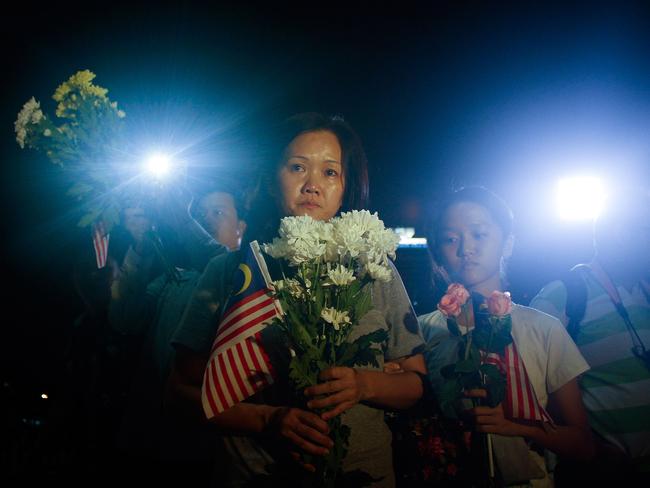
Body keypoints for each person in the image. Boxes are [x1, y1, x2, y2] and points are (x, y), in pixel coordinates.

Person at [166, 113, 426, 487]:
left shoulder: (372, 267)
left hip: (362, 474)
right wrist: (268, 419)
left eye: (330, 173)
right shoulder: (232, 272)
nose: (312, 186)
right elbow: (178, 392)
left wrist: (363, 384)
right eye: (297, 167)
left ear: (346, 187)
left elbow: (415, 383)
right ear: (273, 181)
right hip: (257, 473)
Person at [415, 187, 594, 486]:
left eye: (479, 234)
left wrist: (519, 427)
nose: (465, 249)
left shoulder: (543, 328)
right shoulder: (422, 330)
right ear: (437, 253)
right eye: (450, 239)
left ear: (508, 244)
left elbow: (584, 445)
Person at [108, 180, 246, 485]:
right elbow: (123, 318)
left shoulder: (246, 284)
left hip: (202, 450)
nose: (206, 219)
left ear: (241, 228)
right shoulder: (177, 279)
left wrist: (183, 218)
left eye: (217, 212)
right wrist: (141, 248)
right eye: (200, 213)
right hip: (145, 438)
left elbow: (217, 259)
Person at [529, 187, 650, 483]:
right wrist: (590, 449)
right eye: (642, 228)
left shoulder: (645, 290)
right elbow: (524, 384)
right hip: (604, 475)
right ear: (613, 232)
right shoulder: (564, 294)